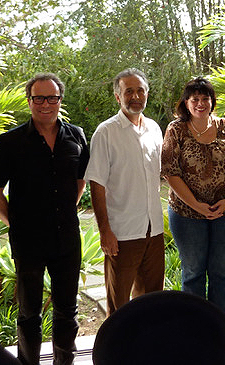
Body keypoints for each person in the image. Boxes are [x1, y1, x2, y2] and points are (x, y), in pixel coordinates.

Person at [0, 73, 89, 365]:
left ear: (60, 100)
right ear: (29, 101)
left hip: (67, 238)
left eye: (52, 98)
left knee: (67, 311)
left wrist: (65, 210)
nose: (46, 104)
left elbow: (80, 181)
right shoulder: (10, 142)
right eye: (39, 98)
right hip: (28, 241)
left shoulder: (77, 136)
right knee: (30, 313)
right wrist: (16, 225)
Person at [161, 77, 225, 315]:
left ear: (212, 101)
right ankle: (195, 327)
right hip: (187, 213)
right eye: (194, 99)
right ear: (186, 103)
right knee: (193, 272)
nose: (200, 103)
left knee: (220, 272)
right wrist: (196, 205)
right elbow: (170, 171)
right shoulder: (176, 129)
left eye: (205, 98)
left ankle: (220, 327)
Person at [85, 68, 164, 316]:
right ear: (118, 97)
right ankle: (116, 353)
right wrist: (105, 231)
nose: (136, 96)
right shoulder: (106, 133)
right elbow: (96, 184)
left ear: (147, 94)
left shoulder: (154, 129)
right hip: (122, 235)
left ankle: (148, 350)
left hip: (154, 231)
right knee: (119, 306)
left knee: (152, 301)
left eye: (140, 90)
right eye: (128, 91)